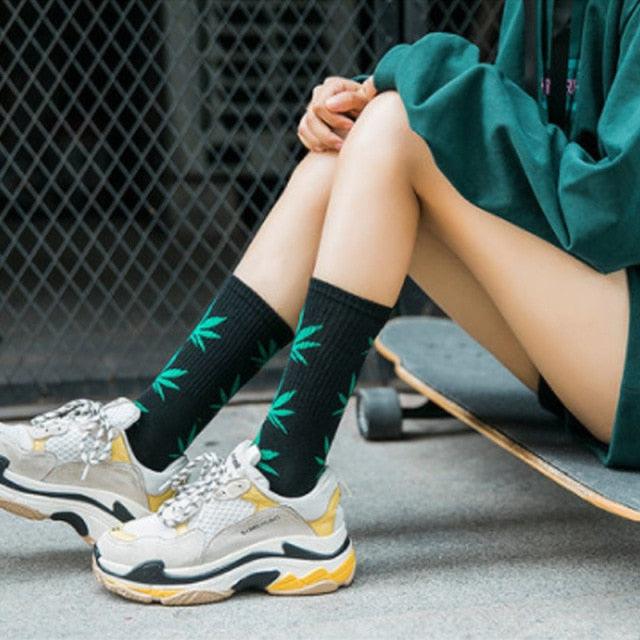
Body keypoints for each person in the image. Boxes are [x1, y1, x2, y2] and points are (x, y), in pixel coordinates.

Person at [1, 0, 639, 604]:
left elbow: (608, 213)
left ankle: (287, 483)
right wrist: (362, 100)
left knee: (395, 125)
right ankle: (147, 443)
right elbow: (508, 138)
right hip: (597, 338)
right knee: (363, 134)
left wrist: (411, 76)